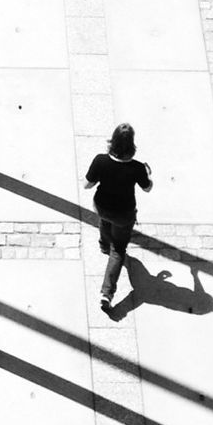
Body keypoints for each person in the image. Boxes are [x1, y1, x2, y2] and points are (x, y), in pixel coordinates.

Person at [84, 122, 154, 313]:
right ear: (131, 145)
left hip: (102, 206)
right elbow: (147, 188)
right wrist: (147, 174)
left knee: (105, 221)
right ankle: (107, 292)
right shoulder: (137, 168)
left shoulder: (100, 161)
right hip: (124, 214)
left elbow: (87, 185)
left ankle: (103, 244)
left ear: (112, 142)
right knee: (119, 250)